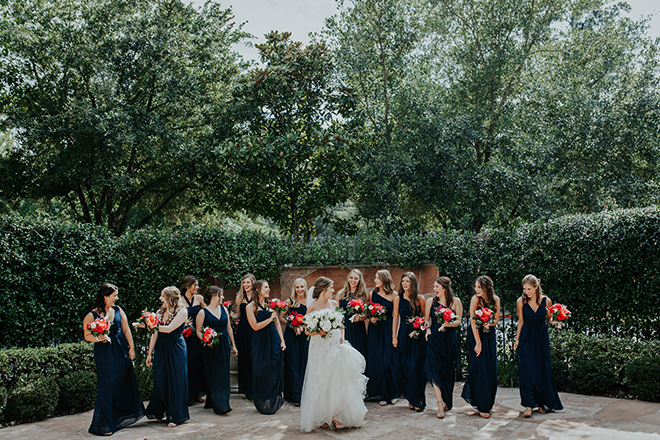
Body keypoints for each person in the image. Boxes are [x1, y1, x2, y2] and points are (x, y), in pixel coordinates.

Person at [300, 277, 368, 432]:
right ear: (324, 290)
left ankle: (336, 416)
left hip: (335, 345)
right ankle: (324, 416)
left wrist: (342, 337)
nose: (333, 291)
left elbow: (341, 323)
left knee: (336, 379)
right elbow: (307, 330)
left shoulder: (334, 304)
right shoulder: (312, 307)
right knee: (322, 380)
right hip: (319, 347)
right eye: (331, 288)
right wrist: (320, 331)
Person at [84, 283, 144, 436]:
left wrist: (131, 348)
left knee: (122, 382)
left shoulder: (118, 310)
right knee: (107, 385)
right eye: (114, 295)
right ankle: (103, 425)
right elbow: (87, 335)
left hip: (121, 350)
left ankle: (119, 418)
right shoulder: (92, 315)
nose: (117, 298)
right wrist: (100, 337)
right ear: (105, 297)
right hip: (104, 353)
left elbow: (126, 329)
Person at [514, 274, 563, 417]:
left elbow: (549, 319)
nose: (527, 292)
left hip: (541, 338)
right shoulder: (520, 302)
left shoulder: (546, 301)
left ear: (536, 287)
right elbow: (521, 321)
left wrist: (557, 321)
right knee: (527, 371)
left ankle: (542, 403)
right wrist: (517, 339)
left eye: (529, 289)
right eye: (524, 289)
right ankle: (529, 405)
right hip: (526, 338)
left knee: (542, 369)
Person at [145, 286, 190, 427]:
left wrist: (148, 326)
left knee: (176, 380)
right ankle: (160, 410)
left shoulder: (182, 312)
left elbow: (170, 329)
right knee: (160, 379)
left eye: (162, 296)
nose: (160, 299)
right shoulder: (159, 312)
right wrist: (149, 353)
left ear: (170, 298)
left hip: (176, 348)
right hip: (161, 348)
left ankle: (175, 416)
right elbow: (155, 334)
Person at [461, 275, 500, 418]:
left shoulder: (495, 300)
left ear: (487, 287)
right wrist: (478, 343)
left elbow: (496, 320)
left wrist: (489, 322)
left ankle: (488, 403)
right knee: (479, 368)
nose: (476, 290)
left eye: (479, 287)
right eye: (475, 287)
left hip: (489, 335)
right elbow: (472, 321)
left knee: (490, 368)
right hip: (476, 335)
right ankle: (481, 405)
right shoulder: (475, 299)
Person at [423, 276, 462, 418]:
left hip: (449, 340)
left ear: (444, 288)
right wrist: (427, 331)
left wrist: (447, 324)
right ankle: (439, 403)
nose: (434, 290)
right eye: (434, 287)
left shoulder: (455, 301)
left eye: (436, 287)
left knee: (448, 372)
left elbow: (458, 321)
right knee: (435, 371)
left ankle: (447, 399)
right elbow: (427, 319)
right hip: (434, 339)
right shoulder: (430, 302)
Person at [246, 280, 286, 414]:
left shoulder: (271, 305)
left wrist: (282, 340)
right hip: (259, 342)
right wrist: (271, 318)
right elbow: (255, 326)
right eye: (266, 287)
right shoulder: (250, 306)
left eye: (269, 286)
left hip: (273, 340)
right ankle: (262, 402)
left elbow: (277, 324)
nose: (268, 289)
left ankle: (272, 402)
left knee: (273, 370)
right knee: (261, 370)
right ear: (258, 289)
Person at [196, 286, 237, 414]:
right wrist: (206, 339)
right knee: (213, 373)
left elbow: (229, 328)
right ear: (214, 296)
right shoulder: (203, 312)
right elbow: (198, 330)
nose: (223, 298)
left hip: (224, 344)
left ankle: (223, 403)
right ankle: (214, 400)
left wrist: (233, 345)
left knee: (224, 373)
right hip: (210, 347)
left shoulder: (224, 309)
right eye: (221, 295)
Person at [393, 272, 427, 412]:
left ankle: (417, 399)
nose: (405, 284)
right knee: (404, 366)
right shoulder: (398, 299)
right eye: (403, 281)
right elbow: (395, 318)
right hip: (403, 335)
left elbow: (424, 317)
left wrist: (419, 329)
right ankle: (410, 397)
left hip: (417, 336)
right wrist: (393, 337)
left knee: (416, 367)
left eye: (407, 281)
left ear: (413, 283)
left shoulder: (420, 299)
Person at [366, 269, 399, 405]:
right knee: (377, 360)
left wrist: (394, 336)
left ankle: (393, 393)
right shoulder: (371, 294)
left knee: (389, 361)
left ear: (384, 279)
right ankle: (381, 394)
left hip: (387, 329)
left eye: (377, 278)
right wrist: (371, 317)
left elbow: (396, 316)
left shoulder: (394, 295)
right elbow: (368, 312)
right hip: (375, 330)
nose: (375, 280)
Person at [280, 278, 310, 406]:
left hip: (305, 336)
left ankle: (305, 395)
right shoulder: (289, 301)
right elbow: (281, 317)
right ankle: (295, 396)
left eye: (302, 287)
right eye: (297, 287)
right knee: (293, 363)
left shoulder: (310, 301)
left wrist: (304, 326)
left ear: (305, 287)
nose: (300, 290)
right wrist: (293, 326)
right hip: (292, 336)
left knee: (304, 363)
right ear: (294, 288)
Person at [180, 275, 206, 404]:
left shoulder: (199, 298)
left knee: (198, 364)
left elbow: (207, 312)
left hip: (198, 335)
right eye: (195, 285)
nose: (197, 287)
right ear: (187, 286)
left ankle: (197, 393)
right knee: (187, 365)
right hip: (184, 337)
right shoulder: (179, 300)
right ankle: (187, 395)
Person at [336, 269, 369, 359]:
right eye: (351, 278)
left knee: (359, 352)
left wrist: (360, 318)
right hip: (344, 327)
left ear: (360, 280)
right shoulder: (340, 294)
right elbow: (336, 314)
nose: (353, 280)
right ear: (348, 279)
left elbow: (366, 314)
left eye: (356, 278)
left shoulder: (364, 295)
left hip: (358, 327)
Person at [235, 273, 256, 400]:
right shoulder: (239, 297)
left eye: (248, 282)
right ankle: (244, 388)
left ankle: (254, 387)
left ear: (253, 283)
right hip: (243, 329)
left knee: (254, 357)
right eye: (244, 282)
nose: (246, 285)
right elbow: (238, 313)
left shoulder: (256, 296)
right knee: (244, 358)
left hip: (254, 328)